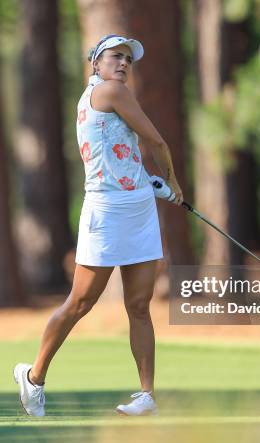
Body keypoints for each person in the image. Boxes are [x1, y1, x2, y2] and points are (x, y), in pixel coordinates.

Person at [14, 34, 183, 417]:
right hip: (106, 212)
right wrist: (173, 183)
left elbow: (120, 152)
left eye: (128, 59)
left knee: (139, 305)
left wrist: (147, 182)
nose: (123, 63)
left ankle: (145, 395)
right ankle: (34, 377)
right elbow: (156, 141)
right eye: (115, 57)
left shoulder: (110, 96)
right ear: (96, 64)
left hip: (137, 207)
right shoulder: (110, 92)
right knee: (80, 302)